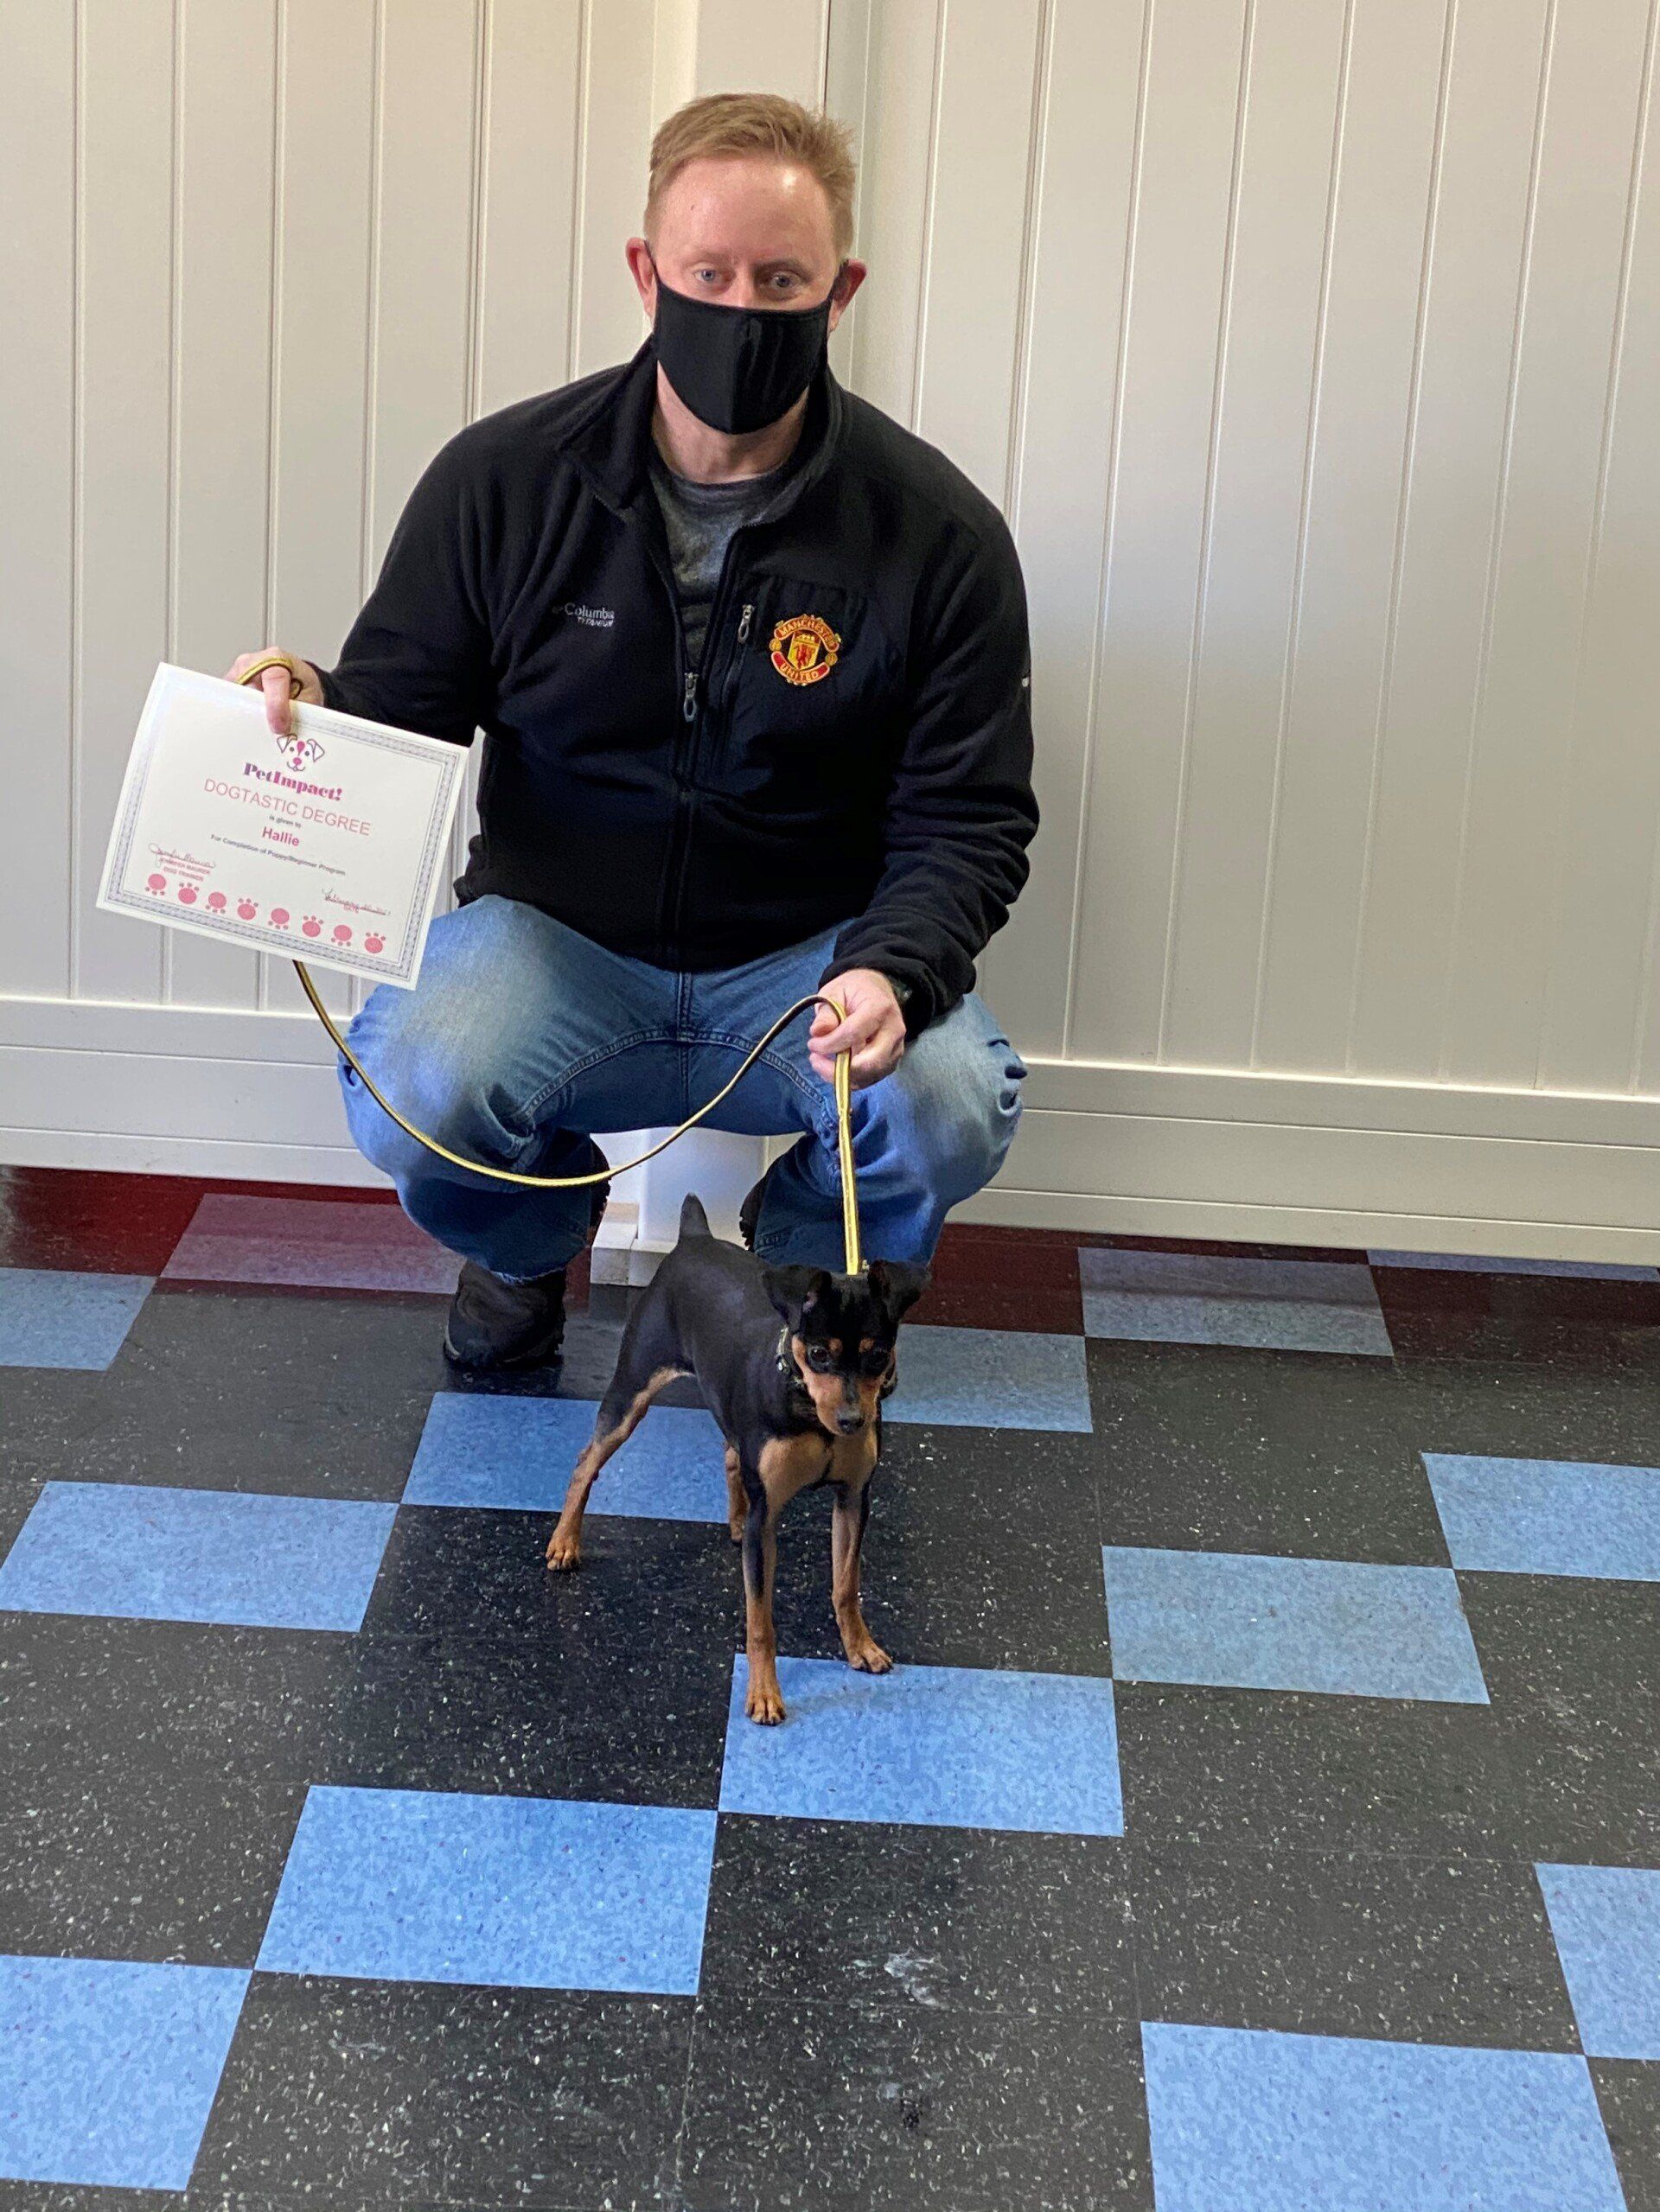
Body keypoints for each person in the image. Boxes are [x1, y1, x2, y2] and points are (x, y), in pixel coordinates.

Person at [226, 92, 1038, 1372]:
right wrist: (304, 707)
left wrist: (893, 968)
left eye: (782, 280)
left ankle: (797, 1278)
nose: (741, 308)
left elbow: (969, 818)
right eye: (709, 273)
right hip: (558, 945)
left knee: (950, 1103)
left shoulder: (937, 534)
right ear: (646, 273)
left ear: (842, 293)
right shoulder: (503, 482)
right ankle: (525, 1247)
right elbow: (401, 712)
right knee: (414, 1081)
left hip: (810, 966)